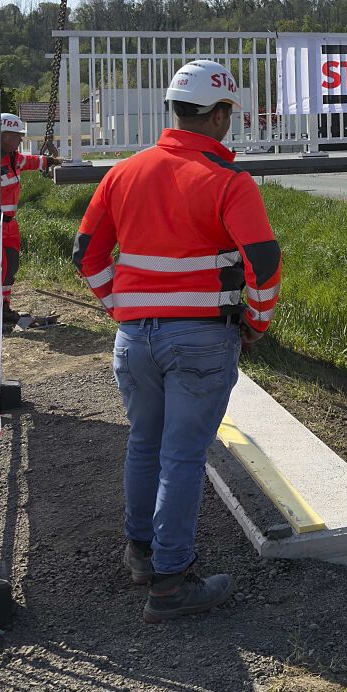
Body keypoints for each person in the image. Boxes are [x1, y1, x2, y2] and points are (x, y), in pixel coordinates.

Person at [72, 60, 282, 623]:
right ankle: (170, 583)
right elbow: (264, 261)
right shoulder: (229, 181)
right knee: (183, 455)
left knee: (145, 443)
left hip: (134, 340)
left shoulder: (123, 173)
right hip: (201, 342)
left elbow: (85, 254)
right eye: (228, 115)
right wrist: (255, 324)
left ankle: (141, 556)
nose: (229, 125)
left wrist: (121, 306)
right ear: (216, 115)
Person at [0, 112, 55, 328]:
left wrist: (49, 161)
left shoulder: (13, 158)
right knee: (0, 269)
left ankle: (4, 308)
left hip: (10, 224)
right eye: (17, 135)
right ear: (4, 136)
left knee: (11, 267)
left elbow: (29, 161)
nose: (21, 139)